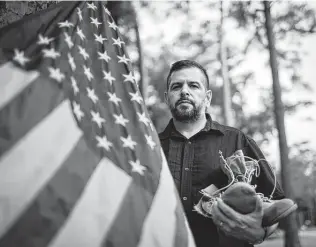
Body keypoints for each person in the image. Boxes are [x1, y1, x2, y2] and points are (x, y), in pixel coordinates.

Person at [159, 60, 284, 247]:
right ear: (167, 97)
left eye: (193, 85)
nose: (184, 91)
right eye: (177, 86)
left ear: (207, 97)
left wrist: (259, 232)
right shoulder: (151, 147)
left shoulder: (238, 141)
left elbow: (274, 205)